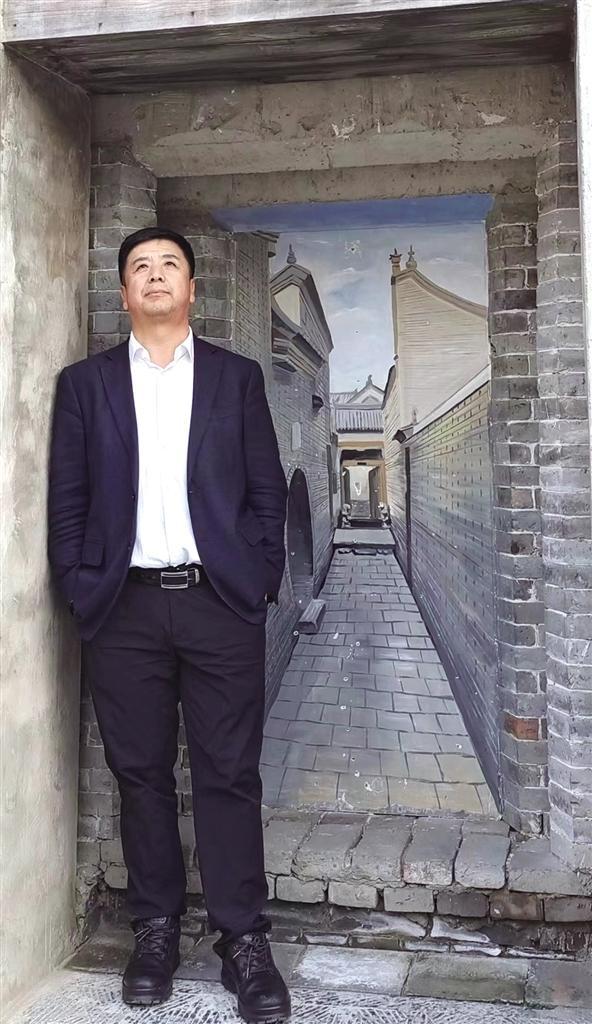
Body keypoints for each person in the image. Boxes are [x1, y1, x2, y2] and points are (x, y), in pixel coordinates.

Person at [48, 227, 291, 1022]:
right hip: (124, 607)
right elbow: (69, 501)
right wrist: (81, 587)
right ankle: (154, 929)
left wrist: (259, 577)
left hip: (219, 602)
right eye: (140, 268)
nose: (155, 276)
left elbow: (266, 491)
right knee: (140, 774)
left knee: (229, 773)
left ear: (191, 288)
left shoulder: (235, 379)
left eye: (169, 266)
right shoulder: (85, 386)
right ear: (124, 293)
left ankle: (242, 940)